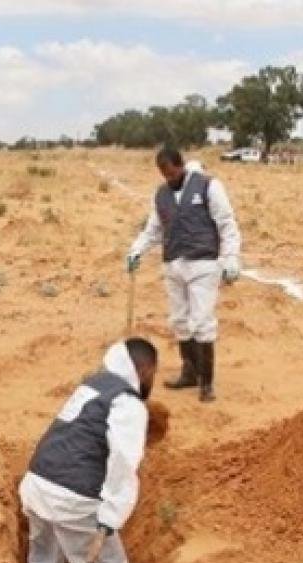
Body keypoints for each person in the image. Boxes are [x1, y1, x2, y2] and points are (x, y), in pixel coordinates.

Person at [18, 338, 158, 563]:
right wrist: (109, 518)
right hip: (72, 501)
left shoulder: (91, 385)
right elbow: (123, 462)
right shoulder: (127, 403)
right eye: (153, 373)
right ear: (145, 370)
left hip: (36, 486)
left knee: (44, 556)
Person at [125, 147, 242, 403]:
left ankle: (206, 383)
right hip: (173, 265)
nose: (169, 178)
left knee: (202, 322)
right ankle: (189, 373)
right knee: (179, 321)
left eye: (171, 173)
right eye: (164, 175)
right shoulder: (161, 195)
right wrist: (136, 250)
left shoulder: (209, 186)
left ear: (181, 166)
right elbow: (153, 230)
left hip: (203, 264)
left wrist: (231, 257)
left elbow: (227, 224)